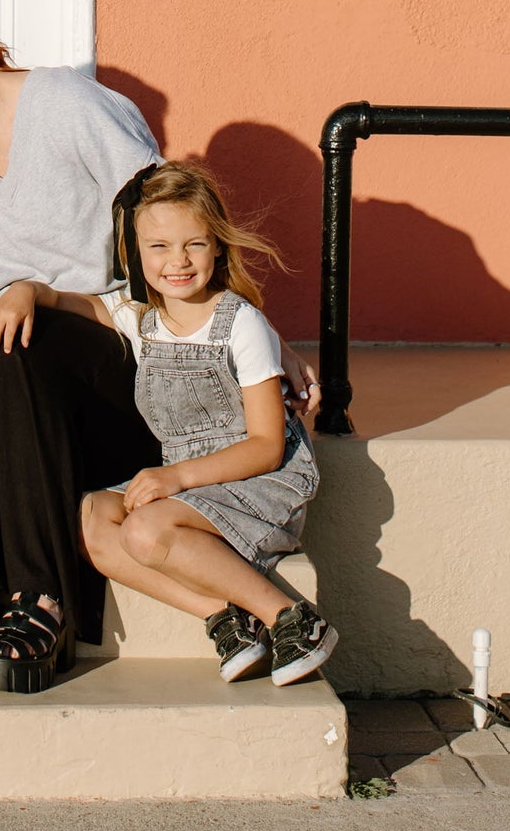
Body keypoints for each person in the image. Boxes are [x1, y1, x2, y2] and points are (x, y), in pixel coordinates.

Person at [0, 0, 320, 698]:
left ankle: (41, 597)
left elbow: (170, 222)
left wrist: (250, 323)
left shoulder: (67, 104)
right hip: (26, 370)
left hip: (126, 355)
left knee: (6, 344)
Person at [77, 160, 335, 687]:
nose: (178, 261)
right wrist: (25, 292)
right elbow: (73, 304)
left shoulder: (242, 324)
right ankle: (225, 616)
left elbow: (266, 446)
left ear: (217, 246)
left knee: (146, 530)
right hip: (193, 487)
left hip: (258, 482)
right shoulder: (141, 318)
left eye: (194, 244)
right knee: (91, 519)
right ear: (135, 253)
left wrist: (175, 479)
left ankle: (293, 619)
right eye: (159, 247)